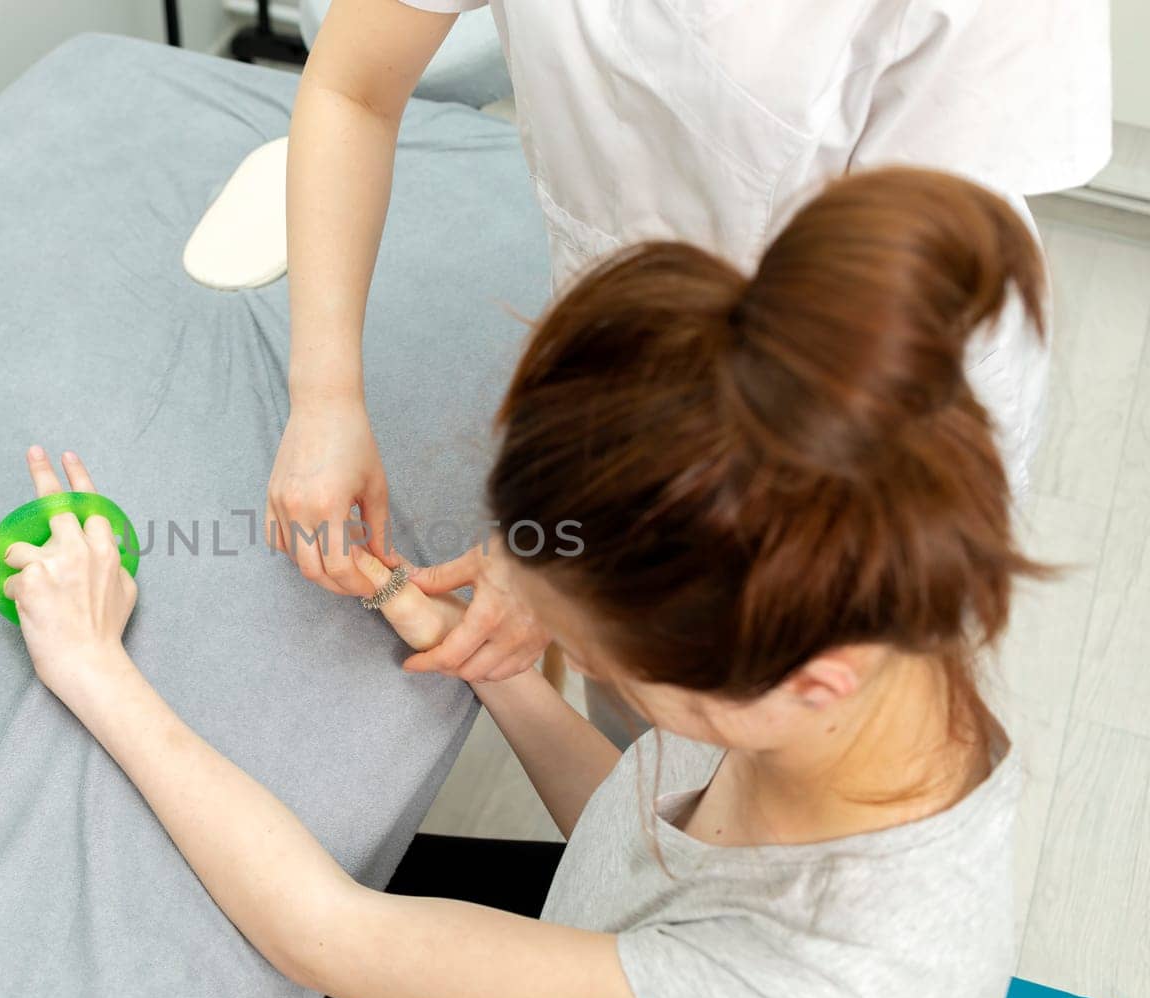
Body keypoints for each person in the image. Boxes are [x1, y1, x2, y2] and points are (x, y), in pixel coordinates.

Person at [0, 168, 1046, 998]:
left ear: (803, 680)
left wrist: (89, 663)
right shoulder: (872, 630)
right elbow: (641, 836)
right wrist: (472, 651)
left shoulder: (817, 996)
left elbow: (321, 933)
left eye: (594, 655)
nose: (570, 656)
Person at [268, 0, 1108, 685]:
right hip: (632, 359)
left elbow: (877, 330)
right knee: (651, 751)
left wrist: (595, 539)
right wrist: (325, 400)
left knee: (793, 752)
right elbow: (354, 90)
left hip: (867, 418)